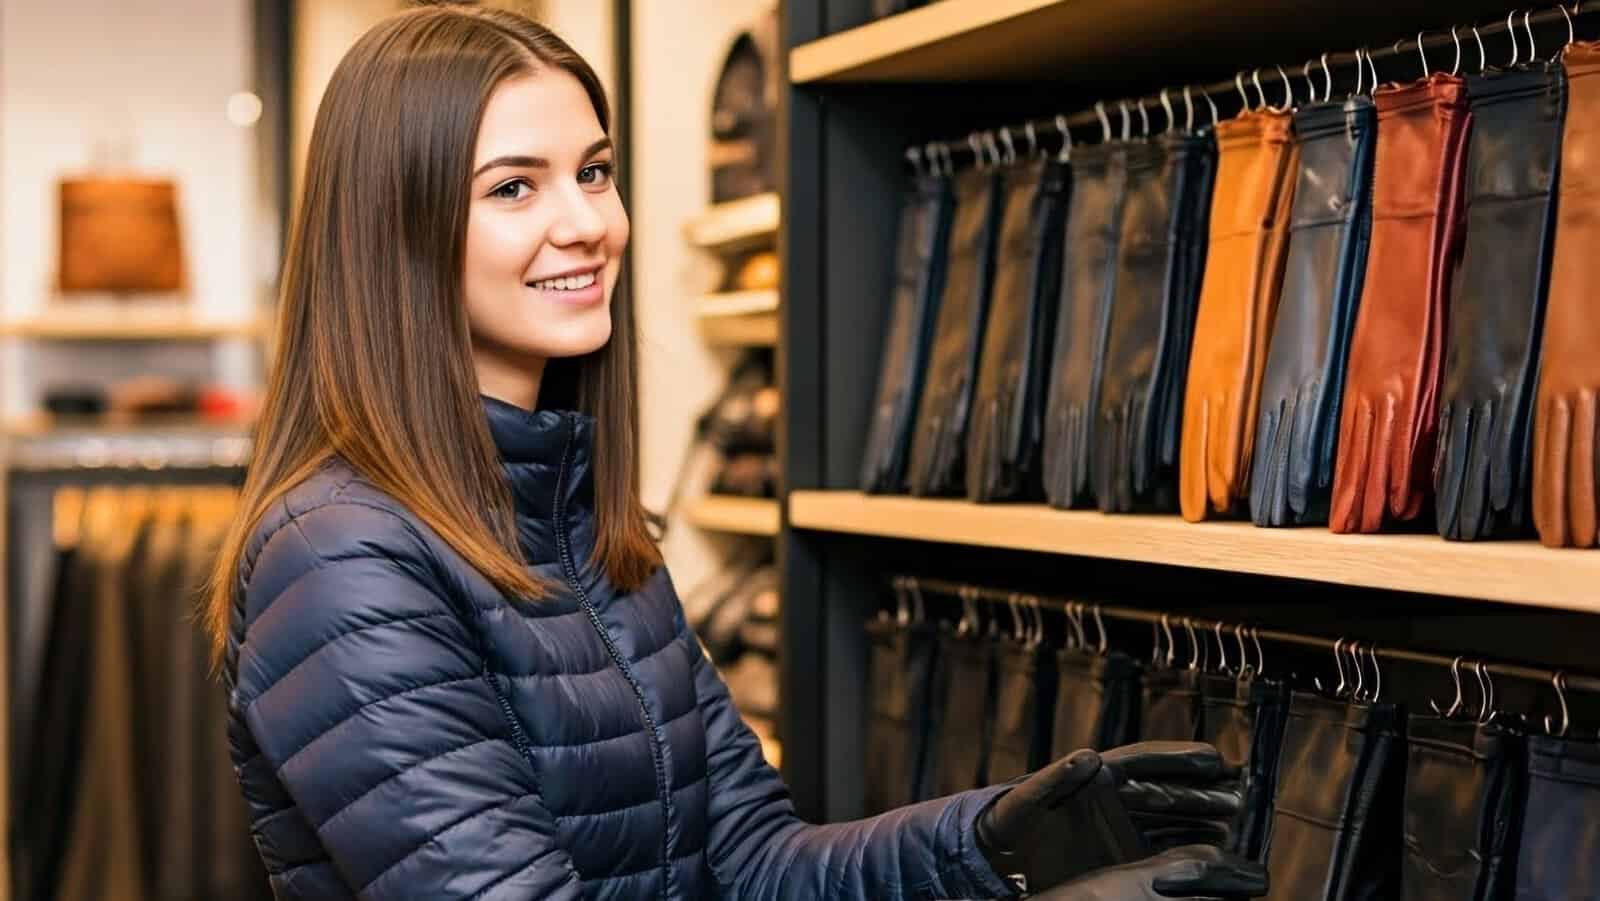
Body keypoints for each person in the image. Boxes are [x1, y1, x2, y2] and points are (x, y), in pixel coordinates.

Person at [201, 5, 1265, 899]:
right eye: (513, 187)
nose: (586, 223)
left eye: (596, 170)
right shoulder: (341, 558)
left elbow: (753, 862)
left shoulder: (593, 534)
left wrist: (1000, 849)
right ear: (394, 234)